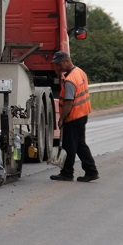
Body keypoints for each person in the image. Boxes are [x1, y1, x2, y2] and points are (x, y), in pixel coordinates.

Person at [49, 51, 100, 182]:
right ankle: (90, 171)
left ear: (66, 61)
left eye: (59, 64)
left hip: (73, 116)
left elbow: (68, 102)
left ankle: (67, 173)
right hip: (82, 114)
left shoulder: (69, 81)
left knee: (69, 146)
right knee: (79, 145)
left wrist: (61, 119)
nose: (58, 68)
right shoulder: (80, 72)